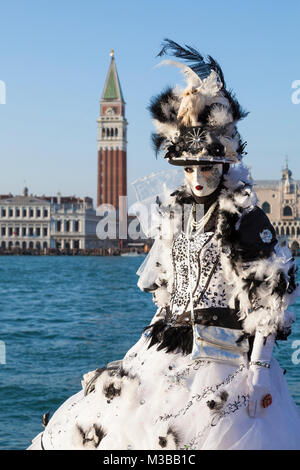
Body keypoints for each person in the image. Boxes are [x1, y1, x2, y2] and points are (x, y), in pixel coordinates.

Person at [28, 39, 300, 450]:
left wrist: (260, 367)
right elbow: (166, 284)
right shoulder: (175, 214)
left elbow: (268, 301)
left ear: (223, 165)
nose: (195, 177)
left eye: (205, 167)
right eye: (188, 167)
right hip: (166, 346)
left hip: (226, 358)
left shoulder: (247, 218)